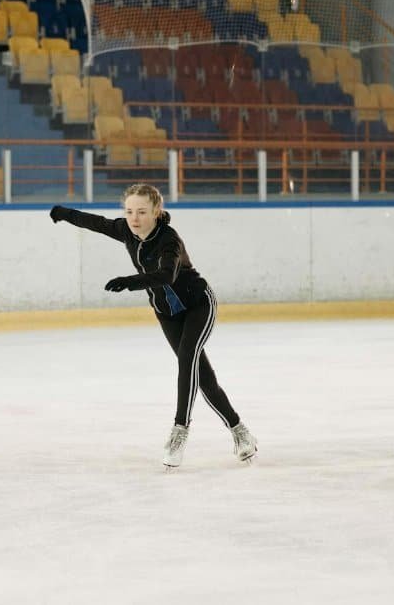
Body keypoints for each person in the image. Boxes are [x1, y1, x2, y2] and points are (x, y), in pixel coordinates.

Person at [50, 183, 257, 469]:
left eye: (142, 212)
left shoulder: (169, 240)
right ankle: (239, 430)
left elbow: (167, 275)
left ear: (156, 212)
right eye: (129, 212)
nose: (134, 219)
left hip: (198, 304)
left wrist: (130, 281)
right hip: (167, 314)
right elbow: (95, 223)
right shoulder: (126, 230)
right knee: (203, 377)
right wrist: (63, 212)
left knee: (187, 359)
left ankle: (179, 431)